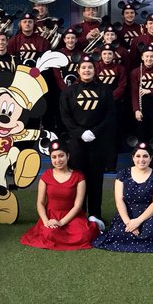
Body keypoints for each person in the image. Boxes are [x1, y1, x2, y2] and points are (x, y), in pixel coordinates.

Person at [59, 55, 116, 221]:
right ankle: (79, 214)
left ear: (95, 70)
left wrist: (95, 132)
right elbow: (65, 117)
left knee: (96, 179)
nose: (87, 70)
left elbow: (110, 115)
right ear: (78, 71)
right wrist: (80, 133)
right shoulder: (68, 92)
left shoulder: (105, 90)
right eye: (83, 68)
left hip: (98, 142)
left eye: (90, 67)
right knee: (78, 179)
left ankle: (95, 215)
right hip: (77, 143)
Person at [20, 143, 100, 250]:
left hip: (72, 216)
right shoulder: (46, 176)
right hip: (51, 216)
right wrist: (46, 222)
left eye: (61, 156)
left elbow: (77, 206)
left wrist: (61, 222)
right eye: (54, 157)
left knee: (84, 235)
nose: (58, 160)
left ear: (68, 156)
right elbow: (40, 203)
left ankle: (95, 225)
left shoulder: (78, 177)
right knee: (49, 233)